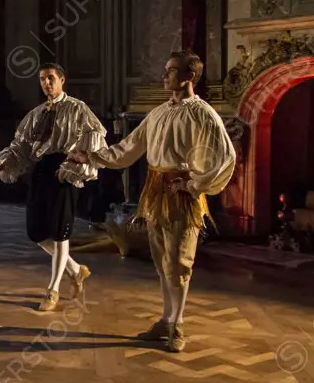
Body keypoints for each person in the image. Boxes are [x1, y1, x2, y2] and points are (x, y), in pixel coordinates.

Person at [68, 50, 236, 352]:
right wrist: (91, 156)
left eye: (171, 70)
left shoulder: (203, 114)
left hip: (181, 195)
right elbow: (128, 148)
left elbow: (225, 156)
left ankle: (177, 325)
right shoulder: (158, 113)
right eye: (166, 69)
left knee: (180, 261)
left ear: (189, 76)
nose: (164, 75)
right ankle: (165, 320)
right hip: (156, 192)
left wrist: (194, 183)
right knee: (162, 261)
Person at [0, 63, 108, 311]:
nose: (46, 83)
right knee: (37, 232)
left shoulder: (77, 108)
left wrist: (79, 160)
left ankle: (53, 290)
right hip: (41, 170)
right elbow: (20, 145)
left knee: (59, 230)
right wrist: (3, 162)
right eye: (42, 79)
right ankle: (75, 270)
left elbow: (95, 135)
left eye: (51, 78)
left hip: (64, 169)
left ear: (62, 79)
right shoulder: (36, 113)